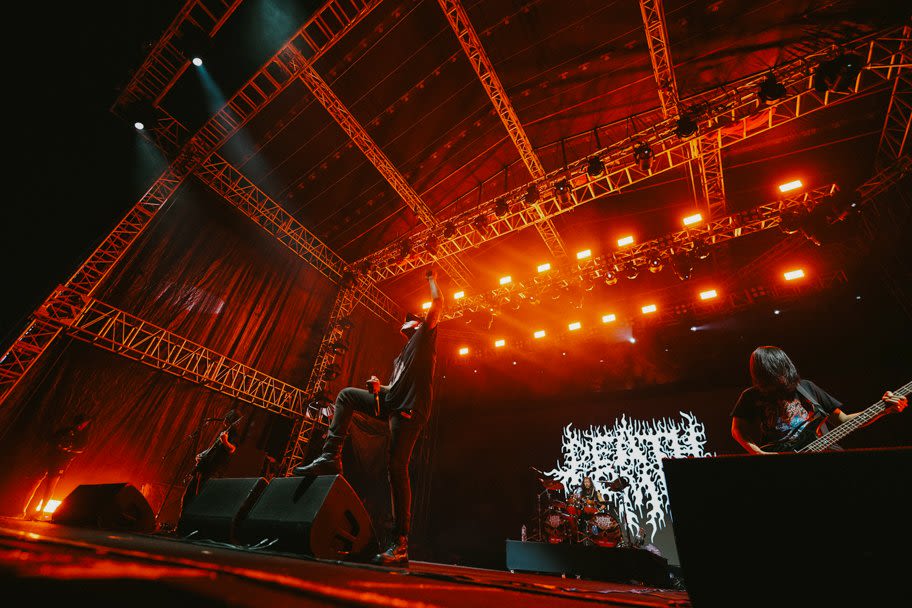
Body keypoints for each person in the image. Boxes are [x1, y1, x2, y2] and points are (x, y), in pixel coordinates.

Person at [293, 267, 443, 567]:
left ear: (416, 324)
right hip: (391, 400)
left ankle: (400, 543)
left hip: (409, 410)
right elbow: (395, 386)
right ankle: (330, 456)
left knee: (396, 468)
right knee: (347, 395)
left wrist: (431, 279)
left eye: (408, 322)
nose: (403, 326)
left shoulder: (425, 337)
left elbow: (437, 305)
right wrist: (379, 387)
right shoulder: (401, 356)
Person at [730, 346, 907, 454]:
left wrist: (883, 409)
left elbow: (843, 420)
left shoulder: (806, 388)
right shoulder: (751, 395)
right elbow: (738, 430)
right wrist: (759, 453)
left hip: (826, 452)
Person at [23, 413, 92, 520]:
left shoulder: (82, 435)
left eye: (83, 423)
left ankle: (40, 513)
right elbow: (51, 439)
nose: (81, 425)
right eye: (80, 423)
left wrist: (67, 448)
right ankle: (22, 510)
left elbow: (81, 449)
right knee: (34, 482)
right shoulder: (65, 430)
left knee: (50, 486)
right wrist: (57, 444)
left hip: (61, 462)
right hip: (48, 458)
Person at [179, 409, 240, 515]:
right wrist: (202, 455)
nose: (224, 420)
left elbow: (232, 449)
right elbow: (213, 448)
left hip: (212, 471)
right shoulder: (224, 432)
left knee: (200, 499)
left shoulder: (233, 434)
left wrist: (225, 441)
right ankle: (180, 523)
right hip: (204, 468)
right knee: (187, 496)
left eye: (227, 418)